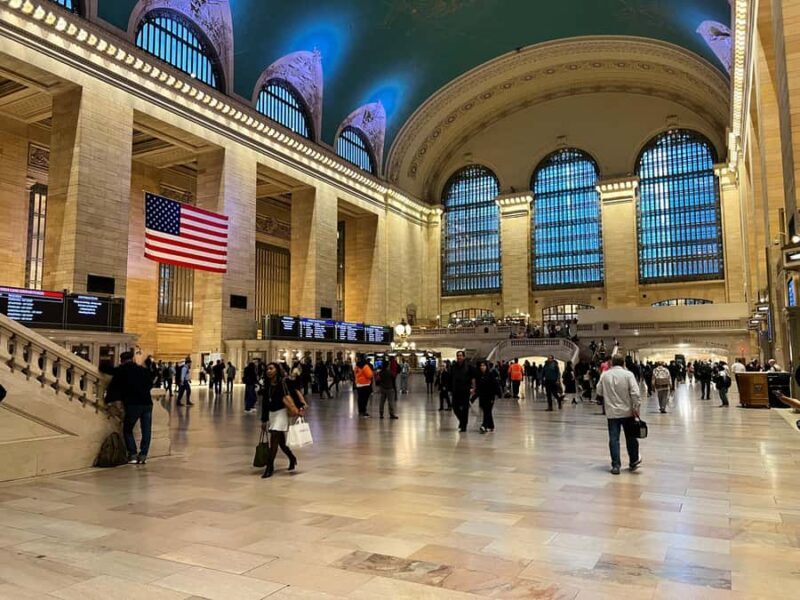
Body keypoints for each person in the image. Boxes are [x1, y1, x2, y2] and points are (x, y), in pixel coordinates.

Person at [596, 354, 642, 475]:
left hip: (612, 412)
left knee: (614, 439)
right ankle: (633, 460)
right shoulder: (628, 375)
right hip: (628, 412)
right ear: (623, 363)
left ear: (611, 363)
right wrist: (636, 407)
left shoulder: (605, 375)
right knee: (631, 437)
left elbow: (599, 391)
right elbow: (635, 393)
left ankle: (616, 465)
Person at [107, 350, 153, 465]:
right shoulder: (143, 370)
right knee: (146, 430)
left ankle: (132, 454)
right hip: (147, 403)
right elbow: (150, 383)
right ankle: (143, 455)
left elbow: (107, 370)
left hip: (134, 404)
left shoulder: (122, 370)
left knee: (127, 429)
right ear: (132, 359)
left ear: (121, 361)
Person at [259, 362, 303, 478]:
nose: (268, 371)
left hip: (281, 413)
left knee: (274, 437)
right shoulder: (267, 384)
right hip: (272, 413)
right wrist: (264, 419)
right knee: (281, 443)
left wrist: (299, 408)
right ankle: (292, 458)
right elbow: (265, 403)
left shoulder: (283, 382)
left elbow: (293, 394)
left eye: (271, 368)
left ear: (277, 370)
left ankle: (270, 466)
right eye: (267, 369)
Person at [450, 351, 475, 432]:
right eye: (458, 356)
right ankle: (462, 421)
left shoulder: (469, 366)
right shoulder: (453, 366)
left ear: (464, 357)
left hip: (465, 390)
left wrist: (472, 388)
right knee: (455, 407)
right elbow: (451, 377)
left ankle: (464, 425)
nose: (459, 357)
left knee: (465, 409)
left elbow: (473, 377)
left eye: (460, 356)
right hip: (455, 390)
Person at [475, 360, 501, 433]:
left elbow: (496, 385)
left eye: (484, 366)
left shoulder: (490, 375)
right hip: (482, 397)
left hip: (490, 397)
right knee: (487, 411)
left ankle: (484, 425)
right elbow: (478, 388)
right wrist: (474, 397)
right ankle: (491, 425)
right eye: (481, 366)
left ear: (486, 366)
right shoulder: (479, 376)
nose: (482, 367)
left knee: (487, 411)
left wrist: (498, 394)